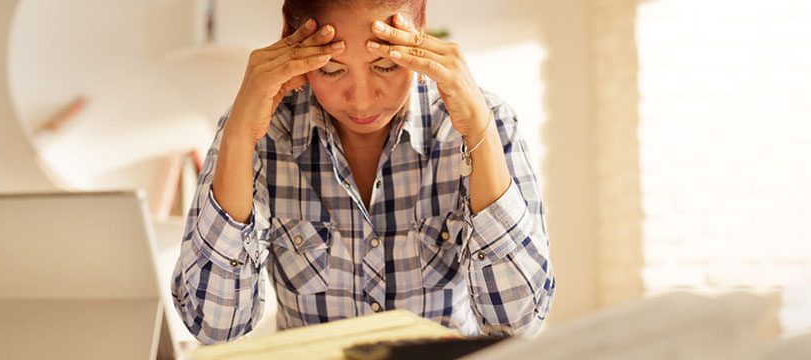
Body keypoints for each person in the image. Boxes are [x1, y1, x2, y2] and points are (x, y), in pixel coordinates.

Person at [171, 0, 554, 344]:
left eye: (386, 65)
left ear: (418, 35)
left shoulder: (484, 122)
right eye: (333, 70)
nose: (363, 98)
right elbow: (214, 327)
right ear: (290, 42)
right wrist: (239, 136)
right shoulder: (264, 134)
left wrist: (478, 133)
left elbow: (517, 324)